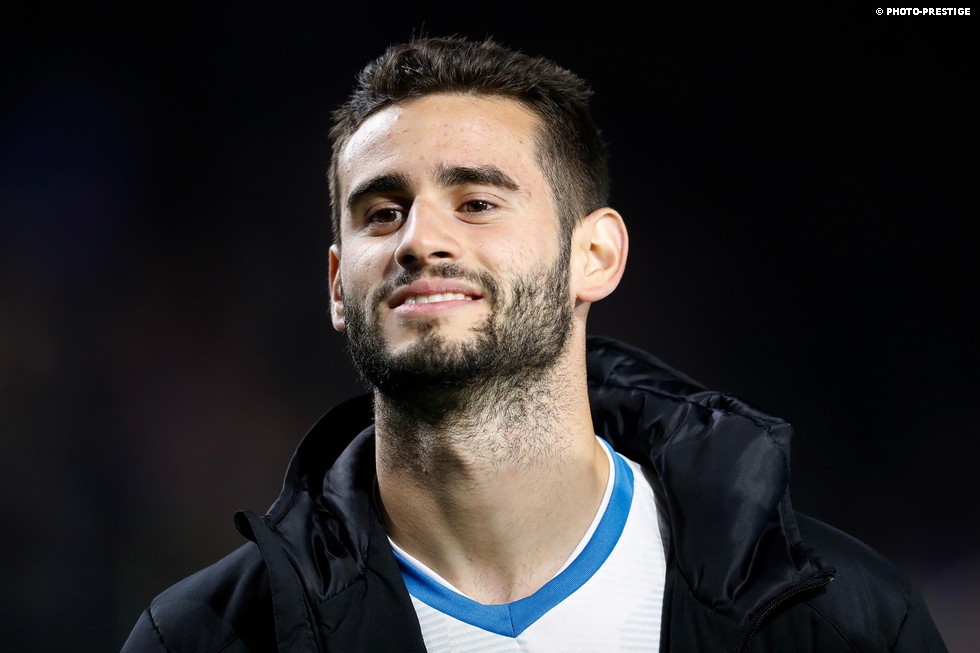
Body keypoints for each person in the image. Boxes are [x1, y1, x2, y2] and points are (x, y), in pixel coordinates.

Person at [121, 35, 948, 652]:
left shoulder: (843, 620)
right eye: (382, 211)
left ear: (596, 255)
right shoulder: (202, 638)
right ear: (338, 284)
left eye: (477, 202)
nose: (419, 239)